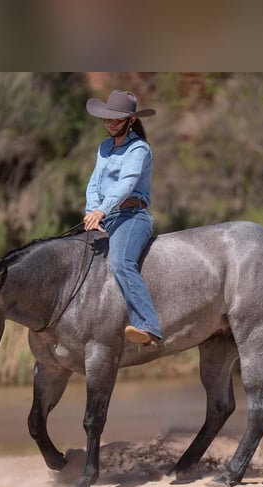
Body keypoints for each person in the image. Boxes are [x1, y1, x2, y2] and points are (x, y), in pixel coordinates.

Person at [83, 89, 162, 345]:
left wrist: (102, 211)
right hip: (105, 214)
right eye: (108, 119)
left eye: (117, 120)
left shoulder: (139, 149)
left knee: (121, 262)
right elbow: (94, 183)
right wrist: (91, 212)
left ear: (130, 121)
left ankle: (147, 325)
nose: (111, 124)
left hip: (132, 215)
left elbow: (126, 185)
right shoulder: (104, 147)